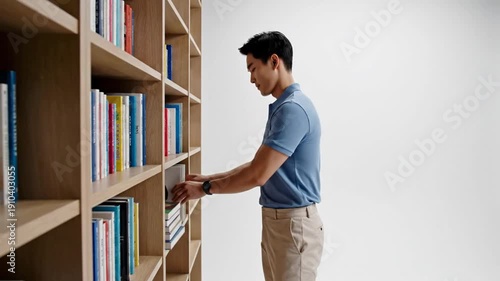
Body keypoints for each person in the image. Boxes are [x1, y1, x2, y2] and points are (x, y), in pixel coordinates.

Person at [172, 31, 324, 281]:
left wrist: (206, 188)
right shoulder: (285, 107)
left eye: (253, 69)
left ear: (274, 61)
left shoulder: (293, 110)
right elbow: (259, 166)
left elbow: (257, 175)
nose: (252, 79)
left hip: (293, 226)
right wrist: (207, 178)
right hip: (280, 223)